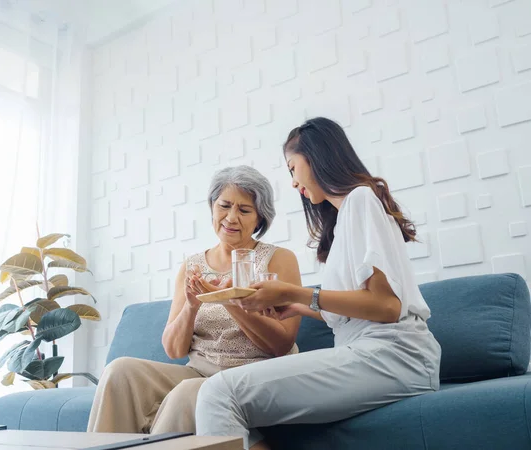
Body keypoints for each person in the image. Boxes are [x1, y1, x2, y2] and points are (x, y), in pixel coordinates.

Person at [195, 117, 442, 450]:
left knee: (218, 393)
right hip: (372, 350)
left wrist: (296, 292)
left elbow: (387, 307)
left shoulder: (360, 199)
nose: (293, 182)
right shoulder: (344, 224)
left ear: (315, 157)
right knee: (224, 399)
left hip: (395, 354)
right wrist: (295, 306)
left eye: (292, 168)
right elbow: (359, 309)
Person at [87, 165, 302, 435]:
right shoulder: (193, 265)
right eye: (224, 205)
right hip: (200, 371)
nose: (231, 217)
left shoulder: (278, 259)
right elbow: (175, 351)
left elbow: (282, 345)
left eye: (244, 210)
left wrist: (229, 300)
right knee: (120, 371)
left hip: (255, 375)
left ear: (260, 219)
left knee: (190, 392)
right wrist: (191, 305)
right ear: (212, 207)